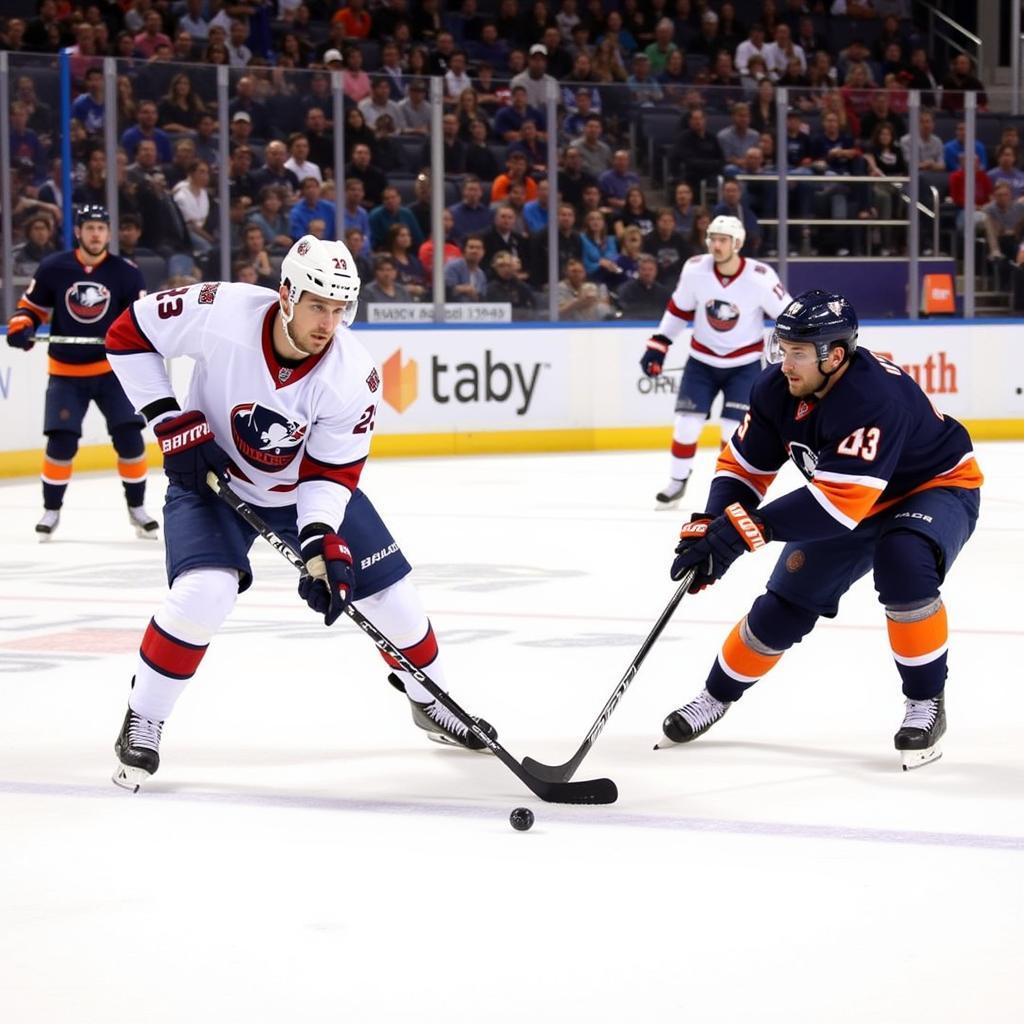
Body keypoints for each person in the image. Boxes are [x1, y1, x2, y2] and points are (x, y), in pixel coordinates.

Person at [103, 236, 498, 790]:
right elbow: (127, 334)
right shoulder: (221, 310)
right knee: (204, 593)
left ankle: (430, 700)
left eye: (340, 310)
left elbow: (332, 474)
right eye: (318, 305)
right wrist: (170, 421)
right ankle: (143, 717)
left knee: (393, 599)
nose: (328, 323)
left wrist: (320, 541)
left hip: (300, 489)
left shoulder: (352, 375)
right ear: (286, 293)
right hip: (211, 477)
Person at [656, 290, 983, 771]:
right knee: (783, 605)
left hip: (934, 487)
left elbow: (836, 507)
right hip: (852, 499)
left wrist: (741, 532)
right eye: (782, 348)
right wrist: (711, 525)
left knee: (903, 564)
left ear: (835, 355)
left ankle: (925, 703)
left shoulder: (873, 397)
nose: (785, 363)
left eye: (799, 353)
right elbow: (744, 468)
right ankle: (714, 696)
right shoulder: (775, 389)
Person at [5, 205, 158, 541]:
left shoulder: (126, 273)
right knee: (61, 442)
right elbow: (30, 308)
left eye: (101, 228)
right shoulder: (54, 268)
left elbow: (139, 320)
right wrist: (21, 326)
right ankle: (51, 510)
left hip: (111, 372)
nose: (95, 234)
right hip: (66, 372)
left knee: (130, 438)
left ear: (108, 233)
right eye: (89, 228)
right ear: (78, 232)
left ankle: (137, 508)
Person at [640, 215, 792, 510]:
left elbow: (787, 315)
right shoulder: (695, 269)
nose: (716, 245)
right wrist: (659, 344)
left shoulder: (760, 277)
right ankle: (677, 482)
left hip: (744, 366)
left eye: (723, 239)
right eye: (712, 238)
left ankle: (727, 489)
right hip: (702, 363)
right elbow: (678, 309)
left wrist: (791, 351)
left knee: (731, 431)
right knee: (685, 425)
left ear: (737, 243)